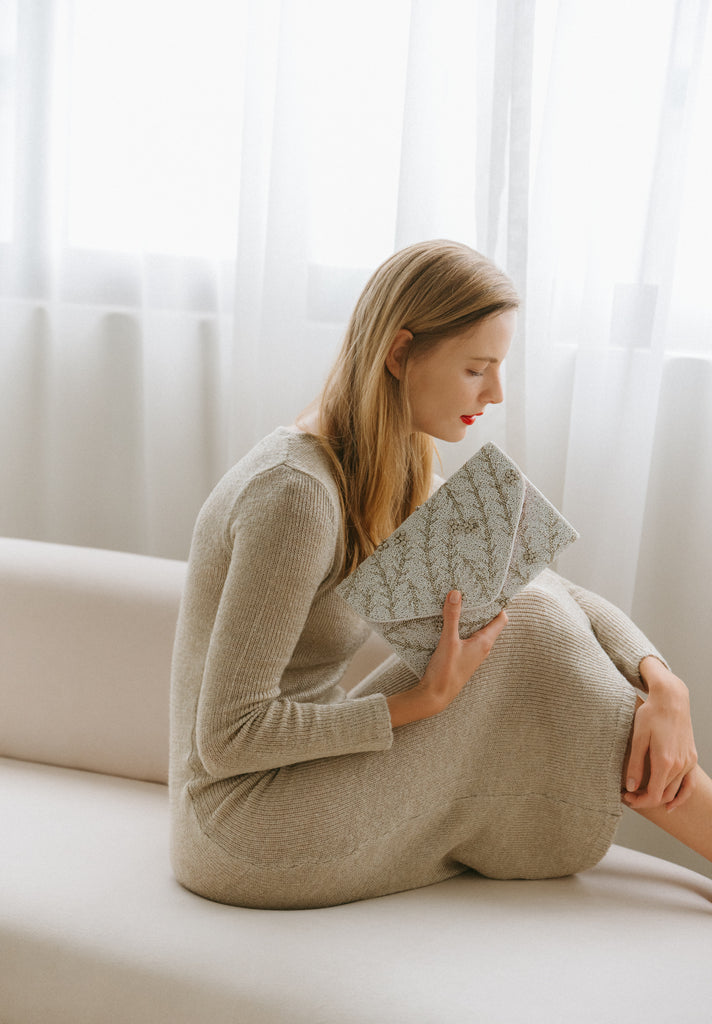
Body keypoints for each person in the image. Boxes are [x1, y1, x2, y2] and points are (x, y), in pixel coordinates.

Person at [169, 239, 709, 910]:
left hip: (304, 772)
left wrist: (662, 679)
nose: (497, 392)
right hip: (243, 826)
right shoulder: (297, 495)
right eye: (477, 369)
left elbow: (547, 589)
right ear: (400, 354)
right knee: (529, 629)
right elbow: (226, 739)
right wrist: (419, 703)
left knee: (530, 608)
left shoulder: (390, 462)